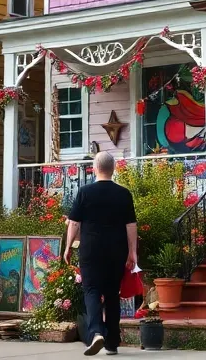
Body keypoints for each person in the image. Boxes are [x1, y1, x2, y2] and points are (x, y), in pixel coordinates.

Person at [64, 151, 137, 357]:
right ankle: (112, 343)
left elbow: (74, 222)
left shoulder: (85, 192)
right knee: (113, 294)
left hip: (91, 250)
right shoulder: (124, 194)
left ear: (94, 168)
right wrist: (132, 252)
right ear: (113, 169)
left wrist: (68, 246)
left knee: (92, 291)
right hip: (116, 250)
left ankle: (96, 332)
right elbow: (130, 225)